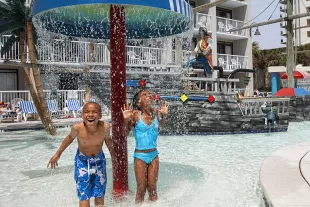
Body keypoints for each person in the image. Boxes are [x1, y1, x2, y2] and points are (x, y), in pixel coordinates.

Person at [47, 102, 113, 207]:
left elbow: (108, 141)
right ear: (82, 115)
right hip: (82, 162)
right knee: (84, 194)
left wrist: (114, 158)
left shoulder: (105, 127)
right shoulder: (77, 128)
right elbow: (68, 139)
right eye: (87, 112)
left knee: (99, 193)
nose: (90, 114)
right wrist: (57, 154)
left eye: (94, 112)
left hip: (99, 161)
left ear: (100, 115)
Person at [121, 89, 168, 203]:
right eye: (144, 95)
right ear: (138, 103)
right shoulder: (136, 114)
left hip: (154, 155)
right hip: (140, 156)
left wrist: (164, 116)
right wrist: (126, 121)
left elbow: (159, 128)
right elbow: (125, 134)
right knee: (141, 188)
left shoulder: (157, 112)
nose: (149, 96)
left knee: (152, 188)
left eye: (149, 95)